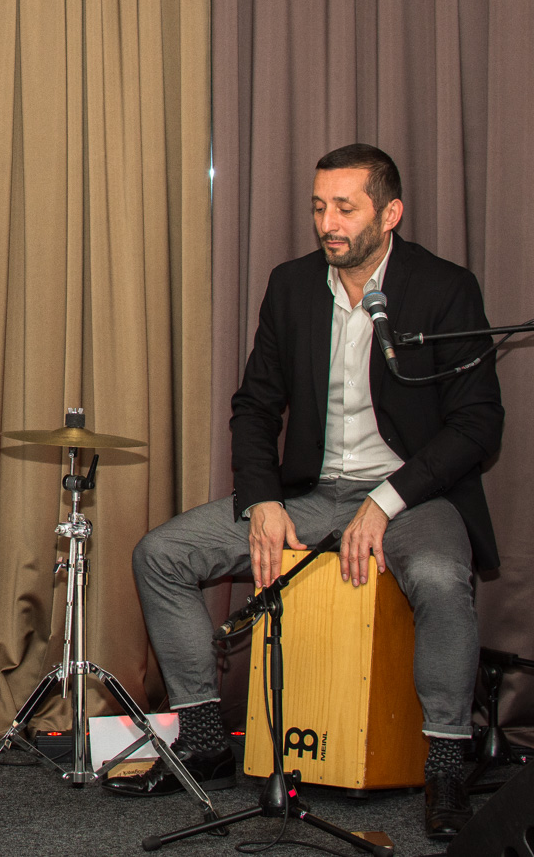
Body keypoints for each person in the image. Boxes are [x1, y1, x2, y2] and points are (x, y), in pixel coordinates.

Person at [106, 144, 503, 841]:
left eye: (345, 208)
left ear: (390, 213)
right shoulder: (291, 285)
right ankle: (205, 741)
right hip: (313, 494)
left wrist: (385, 502)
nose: (328, 223)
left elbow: (477, 425)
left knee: (442, 575)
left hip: (413, 495)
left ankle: (445, 763)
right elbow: (255, 406)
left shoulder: (445, 288)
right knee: (161, 554)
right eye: (319, 207)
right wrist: (262, 500)